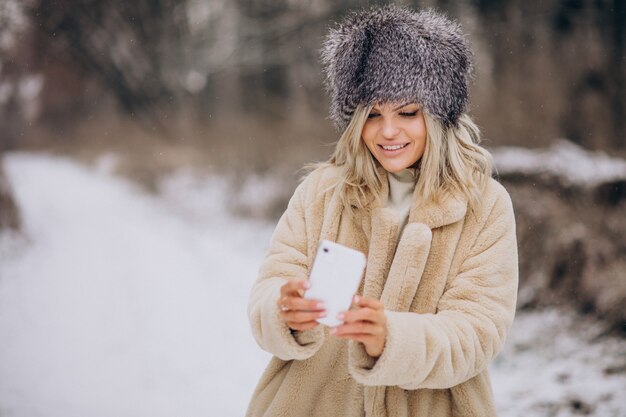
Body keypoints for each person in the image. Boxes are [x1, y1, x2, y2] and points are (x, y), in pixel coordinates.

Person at [246, 5, 518, 417]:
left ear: (440, 115)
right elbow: (268, 292)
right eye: (372, 115)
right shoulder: (321, 192)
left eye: (408, 113)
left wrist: (392, 338)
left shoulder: (485, 206)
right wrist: (284, 312)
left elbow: (476, 333)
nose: (388, 131)